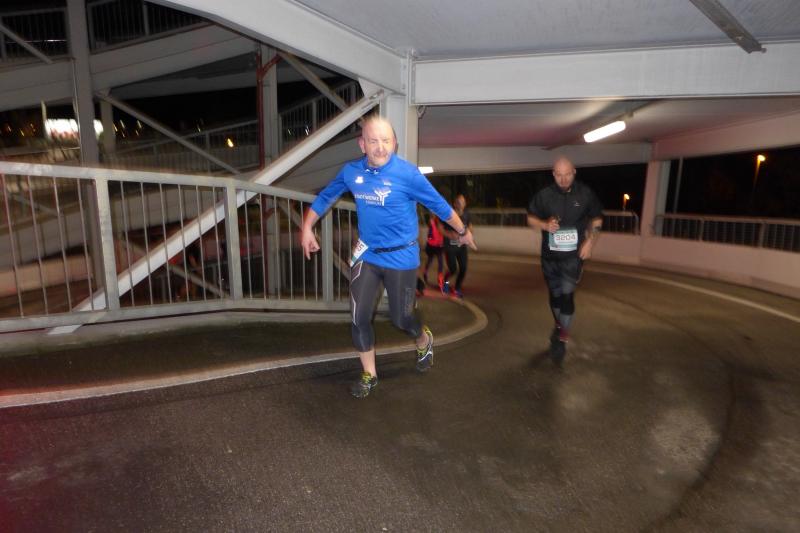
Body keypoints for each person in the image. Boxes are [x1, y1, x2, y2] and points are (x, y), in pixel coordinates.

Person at [301, 115, 475, 398]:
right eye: (373, 141)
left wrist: (462, 230)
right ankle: (369, 374)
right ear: (362, 145)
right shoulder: (351, 172)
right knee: (358, 317)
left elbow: (439, 206)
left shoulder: (407, 174)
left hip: (401, 257)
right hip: (367, 255)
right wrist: (307, 227)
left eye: (385, 141)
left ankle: (423, 338)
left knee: (401, 319)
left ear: (394, 143)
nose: (380, 147)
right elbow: (325, 197)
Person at [527, 156, 602, 367]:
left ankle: (561, 337)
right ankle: (559, 326)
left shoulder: (585, 194)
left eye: (567, 174)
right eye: (559, 175)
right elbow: (530, 218)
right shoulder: (544, 196)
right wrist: (544, 225)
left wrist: (590, 242)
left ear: (574, 172)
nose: (563, 179)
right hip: (549, 257)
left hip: (572, 257)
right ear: (553, 174)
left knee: (567, 295)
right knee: (555, 296)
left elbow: (597, 218)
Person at [441, 194, 472, 299]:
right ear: (454, 204)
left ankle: (457, 288)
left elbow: (470, 226)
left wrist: (469, 233)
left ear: (465, 204)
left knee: (463, 268)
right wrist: (449, 234)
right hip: (450, 246)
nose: (461, 204)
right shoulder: (449, 214)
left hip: (461, 246)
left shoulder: (467, 214)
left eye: (463, 202)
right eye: (459, 202)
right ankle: (445, 283)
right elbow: (440, 227)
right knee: (453, 269)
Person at [421, 214, 445, 292]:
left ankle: (440, 279)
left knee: (440, 262)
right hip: (432, 245)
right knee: (430, 260)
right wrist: (430, 239)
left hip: (439, 245)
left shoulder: (441, 221)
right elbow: (430, 234)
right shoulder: (432, 222)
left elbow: (444, 232)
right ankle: (425, 273)